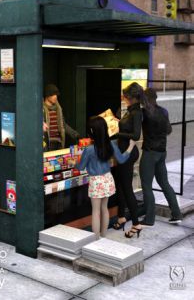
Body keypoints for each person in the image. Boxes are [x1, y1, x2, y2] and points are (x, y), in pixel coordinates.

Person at [76, 116, 135, 239]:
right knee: (104, 209)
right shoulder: (111, 145)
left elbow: (80, 168)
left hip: (96, 181)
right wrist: (130, 147)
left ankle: (96, 238)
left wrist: (74, 163)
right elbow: (122, 159)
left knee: (96, 211)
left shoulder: (89, 150)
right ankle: (104, 236)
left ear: (92, 132)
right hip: (108, 178)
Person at [139, 88, 183, 226]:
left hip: (149, 153)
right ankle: (176, 214)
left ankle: (149, 219)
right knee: (164, 183)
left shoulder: (144, 112)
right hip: (161, 152)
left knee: (146, 185)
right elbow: (169, 130)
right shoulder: (164, 111)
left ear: (145, 99)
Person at [113, 82, 144, 238]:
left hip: (128, 153)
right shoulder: (129, 110)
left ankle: (136, 224)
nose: (124, 98)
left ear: (132, 98)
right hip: (122, 152)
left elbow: (136, 135)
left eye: (126, 96)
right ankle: (121, 216)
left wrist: (119, 134)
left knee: (127, 189)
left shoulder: (136, 112)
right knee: (120, 186)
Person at [43, 84, 80, 150]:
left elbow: (63, 125)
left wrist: (76, 135)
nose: (55, 97)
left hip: (59, 143)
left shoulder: (58, 109)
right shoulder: (42, 109)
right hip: (48, 144)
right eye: (53, 94)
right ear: (47, 96)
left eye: (56, 94)